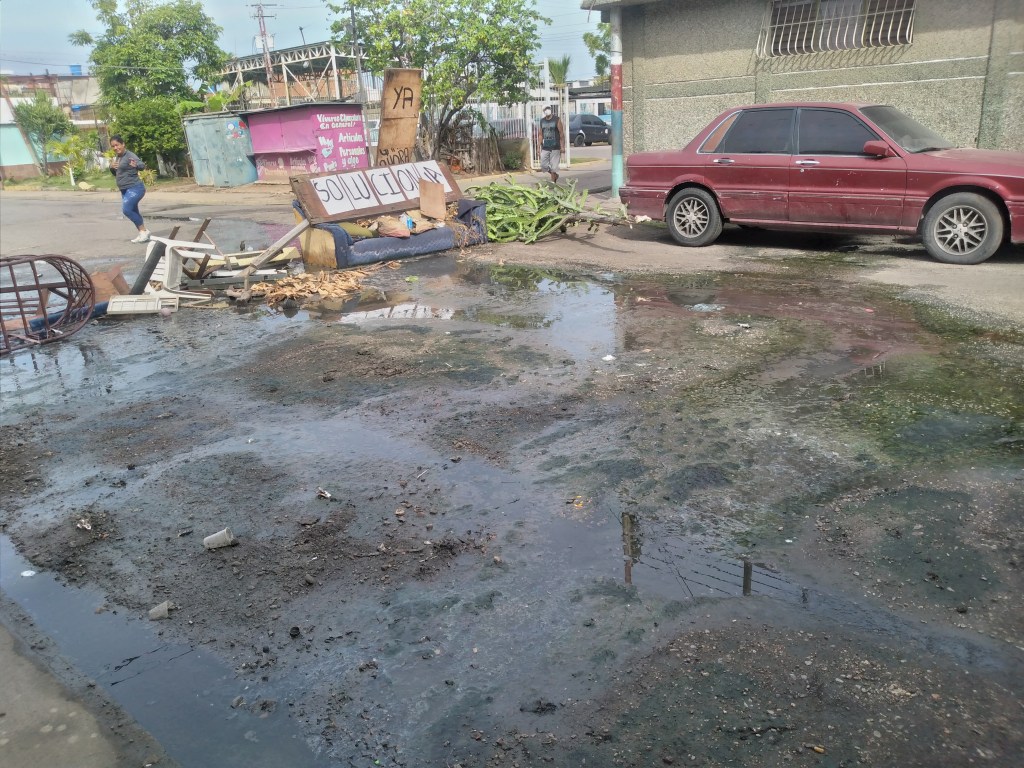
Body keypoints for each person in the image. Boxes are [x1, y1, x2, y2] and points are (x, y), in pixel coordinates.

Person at [109, 135, 150, 243]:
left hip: (135, 188)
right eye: (113, 146)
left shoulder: (129, 155)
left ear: (123, 144)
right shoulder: (118, 157)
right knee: (133, 210)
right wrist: (111, 167)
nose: (115, 148)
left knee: (127, 210)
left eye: (117, 145)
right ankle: (142, 232)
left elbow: (141, 165)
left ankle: (143, 231)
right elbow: (116, 173)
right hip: (124, 189)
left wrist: (136, 164)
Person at [539, 105, 564, 183]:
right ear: (543, 111)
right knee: (543, 165)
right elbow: (540, 134)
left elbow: (561, 134)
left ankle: (553, 182)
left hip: (555, 146)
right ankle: (555, 175)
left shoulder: (557, 120)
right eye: (545, 109)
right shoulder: (542, 121)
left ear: (550, 109)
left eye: (548, 109)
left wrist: (562, 146)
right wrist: (538, 147)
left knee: (553, 167)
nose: (547, 110)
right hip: (545, 147)